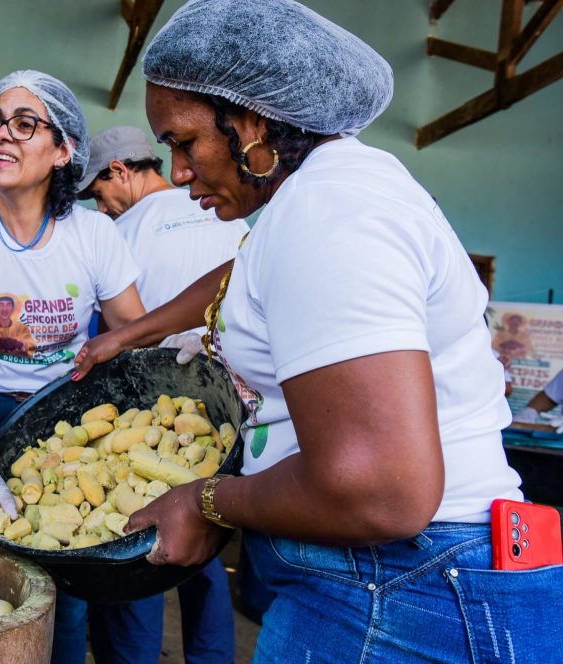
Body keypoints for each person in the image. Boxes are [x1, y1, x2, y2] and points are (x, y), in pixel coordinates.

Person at [72, 1, 562, 661]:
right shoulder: (330, 191)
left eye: (184, 143)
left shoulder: (326, 213)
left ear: (251, 124)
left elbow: (384, 491)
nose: (180, 174)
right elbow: (237, 271)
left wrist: (209, 500)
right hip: (408, 576)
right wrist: (127, 335)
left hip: (402, 588)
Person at [0, 70, 145, 664]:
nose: (0, 137)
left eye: (24, 124)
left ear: (64, 151)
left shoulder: (94, 235)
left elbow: (132, 335)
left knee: (58, 579)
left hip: (62, 424)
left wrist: (183, 348)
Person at [77, 126, 248, 664]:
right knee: (207, 534)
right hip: (231, 403)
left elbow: (106, 325)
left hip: (154, 405)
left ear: (121, 172)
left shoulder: (123, 231)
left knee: (142, 538)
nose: (101, 207)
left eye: (100, 193)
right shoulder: (230, 215)